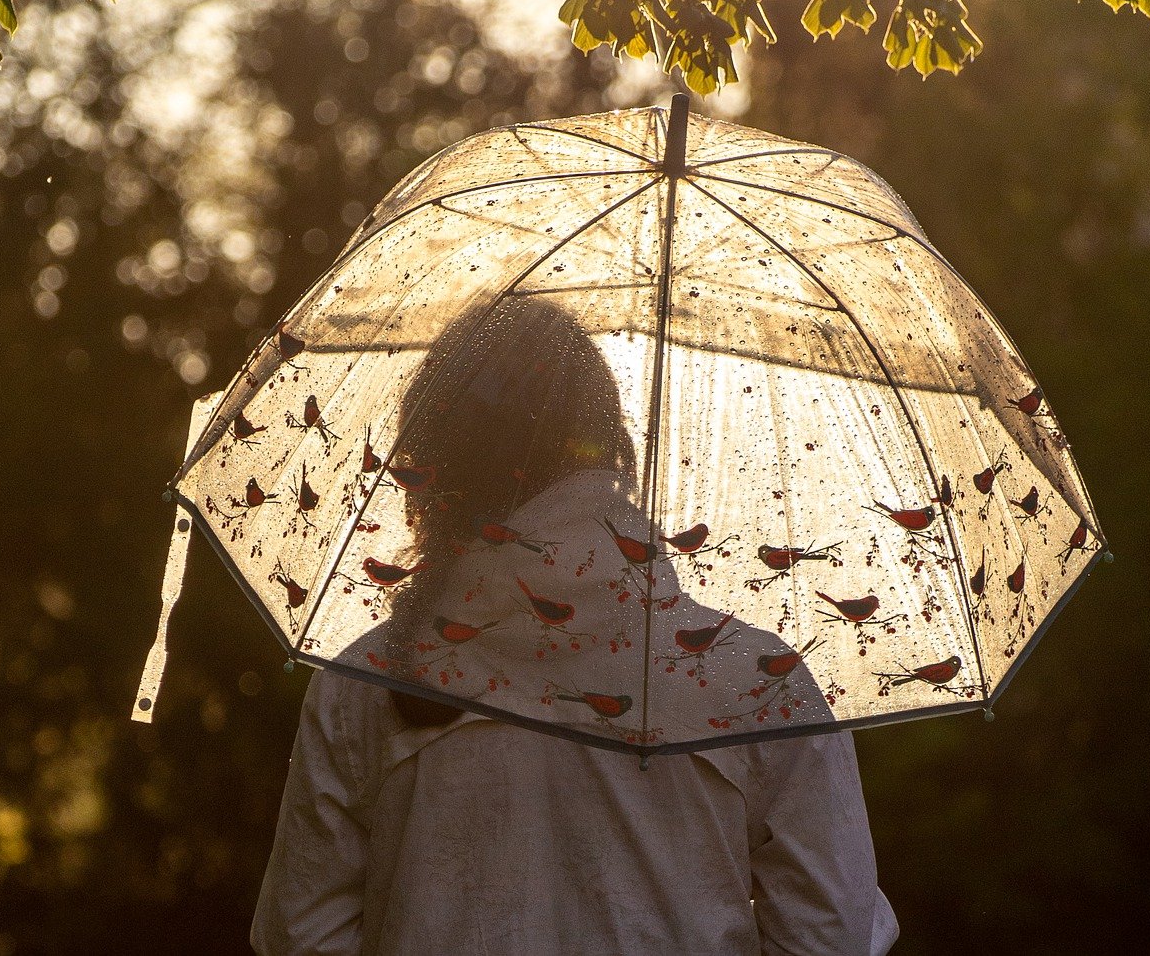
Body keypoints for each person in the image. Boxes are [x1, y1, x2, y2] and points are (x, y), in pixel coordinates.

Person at [251, 297, 900, 954]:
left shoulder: (367, 685)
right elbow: (832, 936)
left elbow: (301, 935)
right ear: (609, 446)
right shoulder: (757, 683)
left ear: (431, 466)